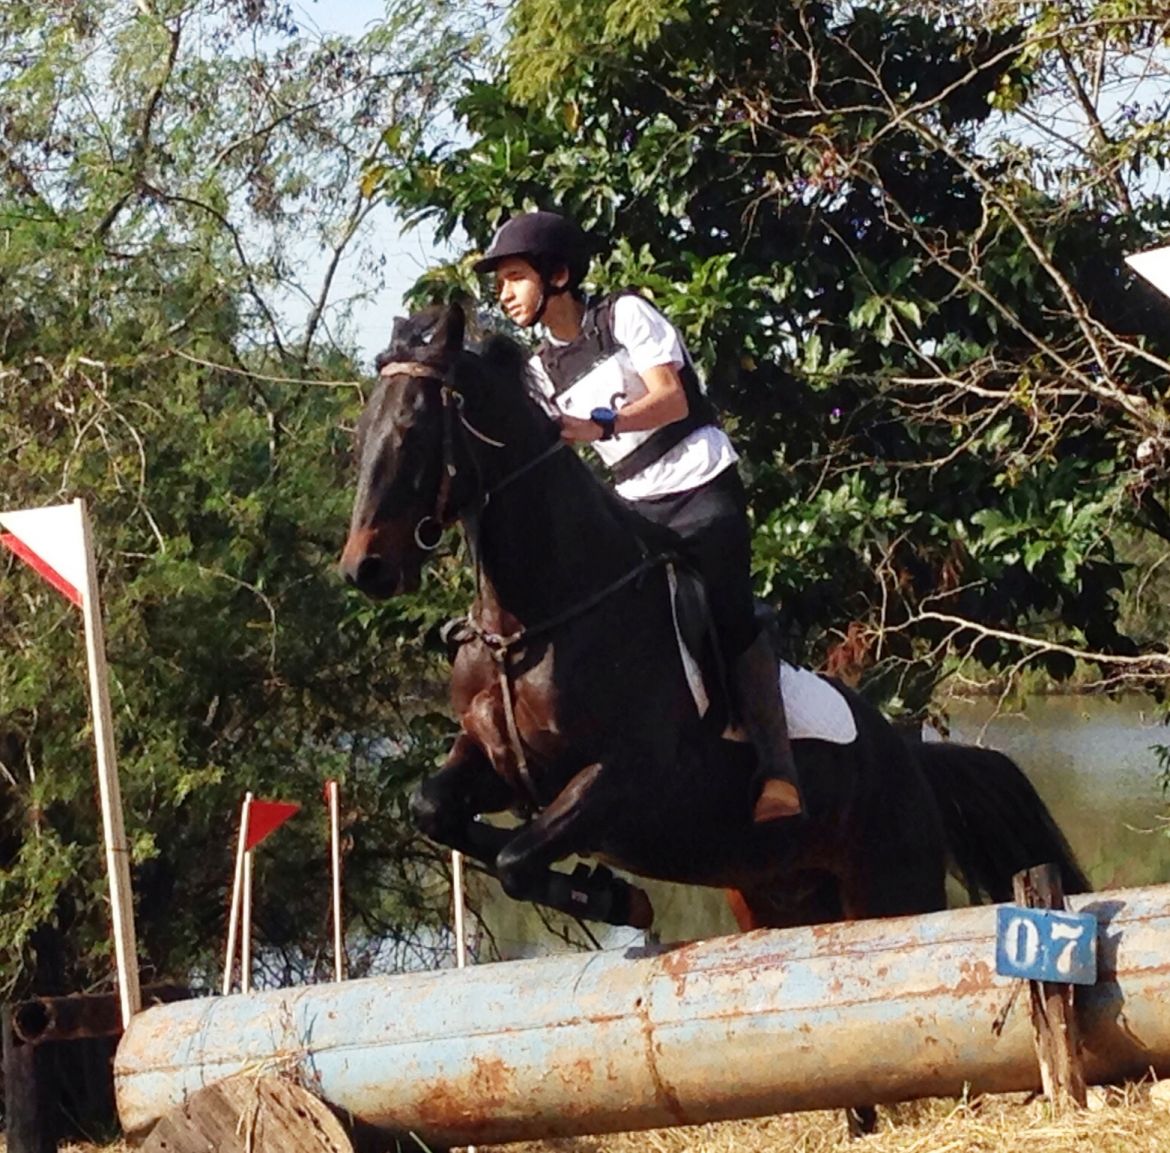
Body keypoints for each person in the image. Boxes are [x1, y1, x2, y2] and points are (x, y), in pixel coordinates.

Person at [472, 209, 803, 823]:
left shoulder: (624, 314)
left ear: (560, 275)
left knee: (725, 613)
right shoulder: (540, 370)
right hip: (634, 506)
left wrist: (600, 424)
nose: (504, 293)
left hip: (701, 488)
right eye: (500, 282)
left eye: (514, 277)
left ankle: (778, 773)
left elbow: (672, 398)